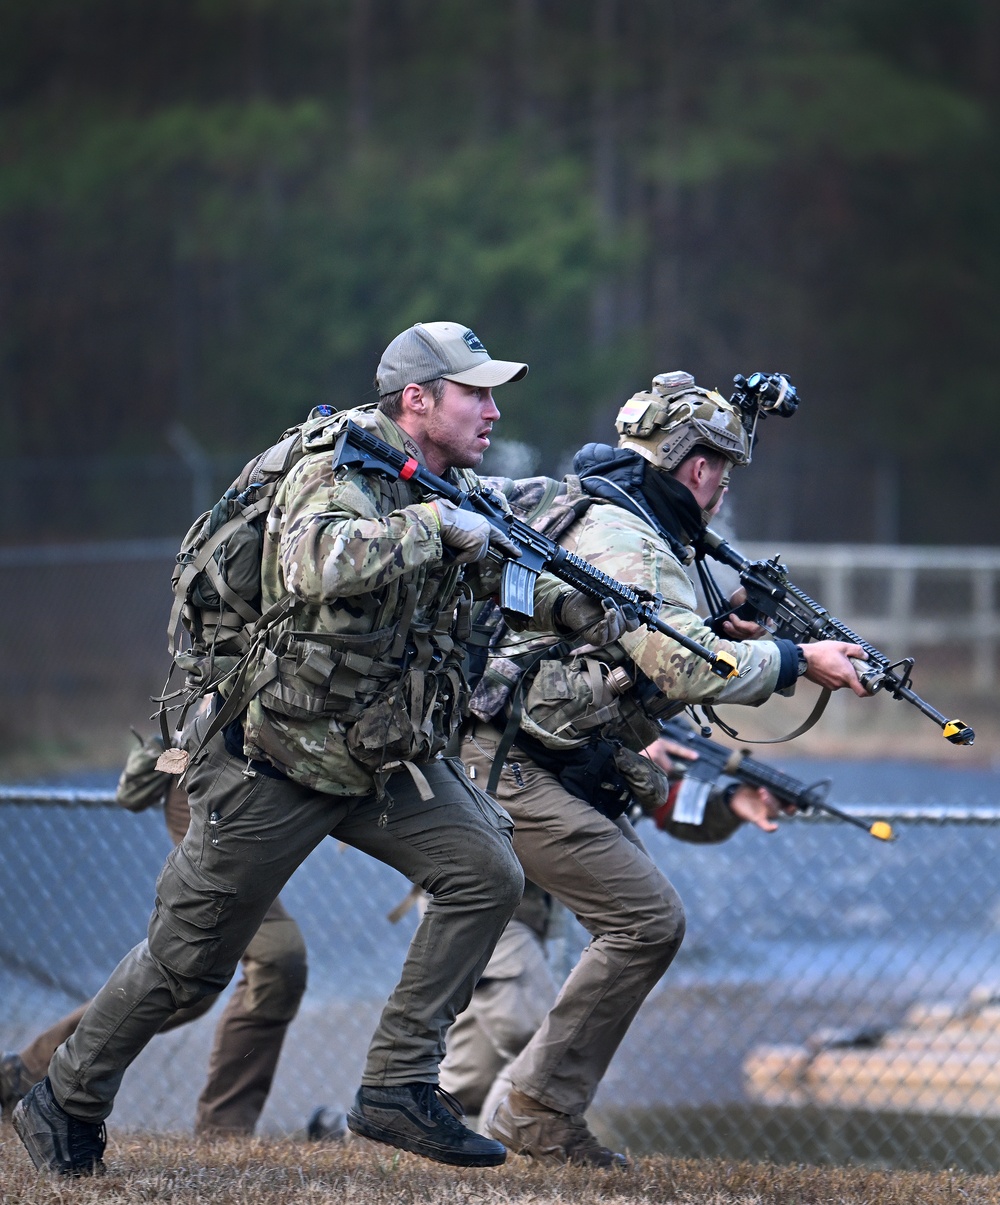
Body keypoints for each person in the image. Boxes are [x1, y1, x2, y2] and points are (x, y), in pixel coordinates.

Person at [11, 320, 628, 1177]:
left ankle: (396, 1087)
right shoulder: (341, 467)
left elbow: (508, 582)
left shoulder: (454, 486)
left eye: (494, 394)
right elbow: (311, 562)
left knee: (486, 869)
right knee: (187, 964)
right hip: (272, 759)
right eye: (475, 392)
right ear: (417, 398)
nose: (492, 409)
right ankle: (61, 1098)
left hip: (378, 757)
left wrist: (603, 613)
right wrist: (433, 529)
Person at [459, 369, 871, 1167]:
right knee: (641, 921)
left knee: (610, 930)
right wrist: (794, 658)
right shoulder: (627, 537)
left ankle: (473, 1106)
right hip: (515, 762)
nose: (721, 490)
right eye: (724, 469)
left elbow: (640, 657)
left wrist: (723, 629)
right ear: (698, 467)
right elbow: (687, 668)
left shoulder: (619, 522)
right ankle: (527, 1110)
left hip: (539, 759)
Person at [436, 734, 793, 1134]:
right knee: (537, 1045)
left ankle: (409, 1142)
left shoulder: (636, 717)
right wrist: (616, 753)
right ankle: (518, 1146)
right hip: (485, 898)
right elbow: (496, 770)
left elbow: (675, 809)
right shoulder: (548, 700)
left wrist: (728, 803)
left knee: (468, 1076)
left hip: (534, 906)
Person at [1, 721, 307, 1137]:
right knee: (255, 962)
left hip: (275, 797)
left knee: (219, 981)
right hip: (218, 793)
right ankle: (223, 1129)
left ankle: (23, 1074)